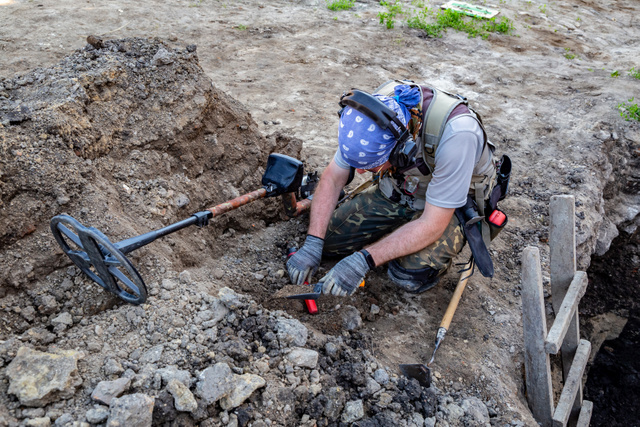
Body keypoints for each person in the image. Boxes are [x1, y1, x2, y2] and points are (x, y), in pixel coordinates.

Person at [287, 80, 503, 296]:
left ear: (402, 150)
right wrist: (313, 243)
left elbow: (432, 223)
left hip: (450, 204)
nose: (361, 172)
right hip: (403, 188)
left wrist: (364, 260)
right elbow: (334, 178)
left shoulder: (457, 136)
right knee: (329, 242)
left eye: (371, 166)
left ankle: (434, 248)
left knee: (408, 273)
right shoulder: (370, 114)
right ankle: (397, 233)